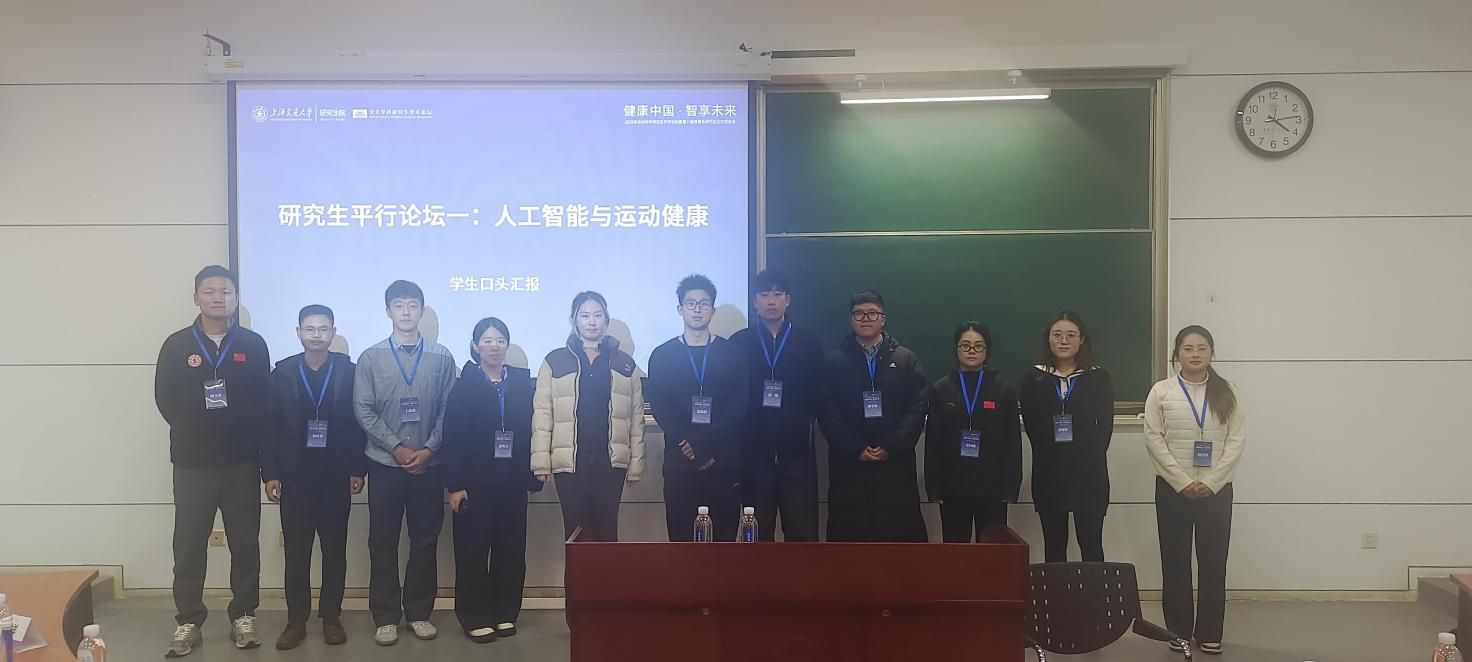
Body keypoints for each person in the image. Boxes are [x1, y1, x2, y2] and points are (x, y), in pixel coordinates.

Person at [153, 265, 270, 657]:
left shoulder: (253, 345)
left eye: (226, 291)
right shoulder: (176, 345)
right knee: (188, 545)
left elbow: (264, 402)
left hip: (241, 464)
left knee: (245, 544)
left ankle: (244, 614)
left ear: (236, 299)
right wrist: (196, 430)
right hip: (192, 464)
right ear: (196, 298)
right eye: (209, 291)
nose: (218, 298)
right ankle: (189, 619)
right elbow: (165, 399)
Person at [353, 280, 457, 646]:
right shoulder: (371, 357)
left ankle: (418, 613)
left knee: (425, 540)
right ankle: (385, 616)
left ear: (422, 311)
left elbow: (449, 410)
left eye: (413, 305)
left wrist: (428, 448)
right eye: (399, 305)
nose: (407, 311)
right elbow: (363, 409)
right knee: (382, 541)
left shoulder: (442, 357)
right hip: (385, 463)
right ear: (388, 311)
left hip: (429, 465)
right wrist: (396, 447)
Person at [261, 305, 366, 650]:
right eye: (309, 328)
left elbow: (359, 424)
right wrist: (270, 473)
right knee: (297, 553)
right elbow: (270, 425)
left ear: (333, 332)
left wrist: (358, 468)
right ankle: (296, 621)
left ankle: (331, 617)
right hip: (295, 478)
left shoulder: (349, 372)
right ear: (299, 333)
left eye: (323, 328)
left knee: (335, 551)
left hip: (336, 476)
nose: (316, 335)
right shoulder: (283, 373)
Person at [1144, 326, 1245, 657]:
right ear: (1176, 354)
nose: (1195, 354)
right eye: (1188, 348)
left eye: (1202, 348)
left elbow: (1235, 441)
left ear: (1212, 353)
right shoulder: (1161, 392)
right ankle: (1178, 631)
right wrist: (1182, 481)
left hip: (1217, 491)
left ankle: (1211, 632)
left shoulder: (1228, 392)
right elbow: (1154, 439)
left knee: (1214, 562)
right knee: (1175, 561)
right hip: (1173, 489)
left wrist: (1212, 482)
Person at [443, 318, 541, 643]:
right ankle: (474, 616)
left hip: (512, 482)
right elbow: (452, 437)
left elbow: (533, 430)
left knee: (510, 550)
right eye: (486, 340)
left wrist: (535, 470)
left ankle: (504, 612)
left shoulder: (521, 383)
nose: (494, 346)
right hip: (474, 484)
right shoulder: (464, 386)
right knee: (472, 552)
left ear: (507, 344)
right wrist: (455, 485)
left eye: (500, 340)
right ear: (475, 347)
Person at [532, 292, 646, 542]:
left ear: (606, 319)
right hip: (570, 462)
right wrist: (541, 462)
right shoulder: (554, 361)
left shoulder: (625, 363)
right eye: (584, 316)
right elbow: (542, 413)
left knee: (607, 531)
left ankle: (607, 571)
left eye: (597, 315)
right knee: (576, 533)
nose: (591, 321)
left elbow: (636, 417)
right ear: (574, 320)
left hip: (610, 462)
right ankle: (578, 571)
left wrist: (636, 464)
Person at [817, 290, 928, 542]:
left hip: (895, 466)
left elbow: (917, 406)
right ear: (851, 320)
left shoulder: (906, 360)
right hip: (849, 465)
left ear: (883, 318)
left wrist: (891, 445)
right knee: (851, 544)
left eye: (872, 313)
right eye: (859, 314)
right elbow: (827, 411)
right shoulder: (834, 362)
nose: (865, 318)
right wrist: (855, 448)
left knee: (896, 543)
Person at [648, 275, 750, 541]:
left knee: (723, 541)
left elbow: (738, 405)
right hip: (679, 462)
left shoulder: (732, 354)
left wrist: (707, 444)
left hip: (723, 459)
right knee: (681, 542)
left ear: (712, 310)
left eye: (704, 303)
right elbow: (660, 406)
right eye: (690, 303)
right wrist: (688, 442)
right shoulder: (662, 355)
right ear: (679, 309)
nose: (697, 309)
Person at [728, 270, 824, 541]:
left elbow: (818, 394)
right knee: (757, 533)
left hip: (797, 455)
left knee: (802, 532)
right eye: (764, 295)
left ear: (787, 300)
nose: (771, 301)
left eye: (777, 294)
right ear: (755, 301)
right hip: (753, 454)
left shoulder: (808, 343)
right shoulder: (739, 343)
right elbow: (732, 396)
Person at [1019, 311, 1115, 562]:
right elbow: (1032, 427)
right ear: (1048, 339)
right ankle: (1057, 590)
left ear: (1081, 339)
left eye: (1071, 335)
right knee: (1054, 545)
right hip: (1049, 473)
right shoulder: (1034, 378)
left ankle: (1093, 590)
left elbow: (1105, 427)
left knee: (1091, 543)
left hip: (1089, 474)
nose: (1064, 341)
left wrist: (1086, 458)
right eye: (1057, 335)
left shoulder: (1098, 377)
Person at [924, 321, 1022, 542]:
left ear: (987, 350)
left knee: (991, 553)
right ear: (956, 349)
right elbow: (933, 442)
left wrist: (1010, 488)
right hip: (952, 488)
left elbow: (1012, 444)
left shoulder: (1003, 389)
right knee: (956, 553)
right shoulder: (941, 388)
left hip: (992, 489)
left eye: (978, 346)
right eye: (965, 345)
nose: (971, 351)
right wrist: (934, 488)